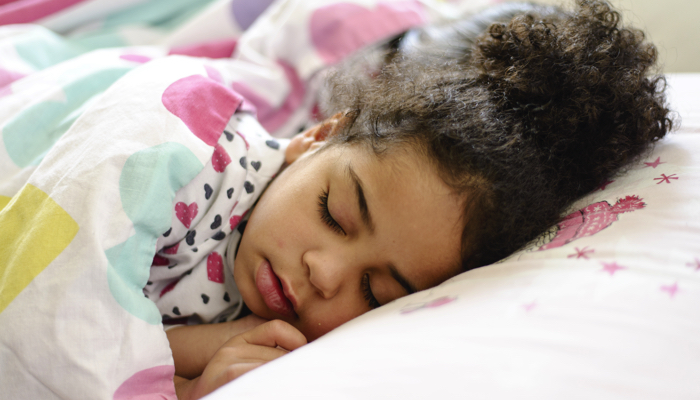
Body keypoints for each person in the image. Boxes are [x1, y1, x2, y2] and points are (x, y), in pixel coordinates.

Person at [166, 1, 672, 398]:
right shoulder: (186, 160)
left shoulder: (278, 352)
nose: (325, 273)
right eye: (334, 216)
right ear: (322, 135)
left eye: (374, 294)